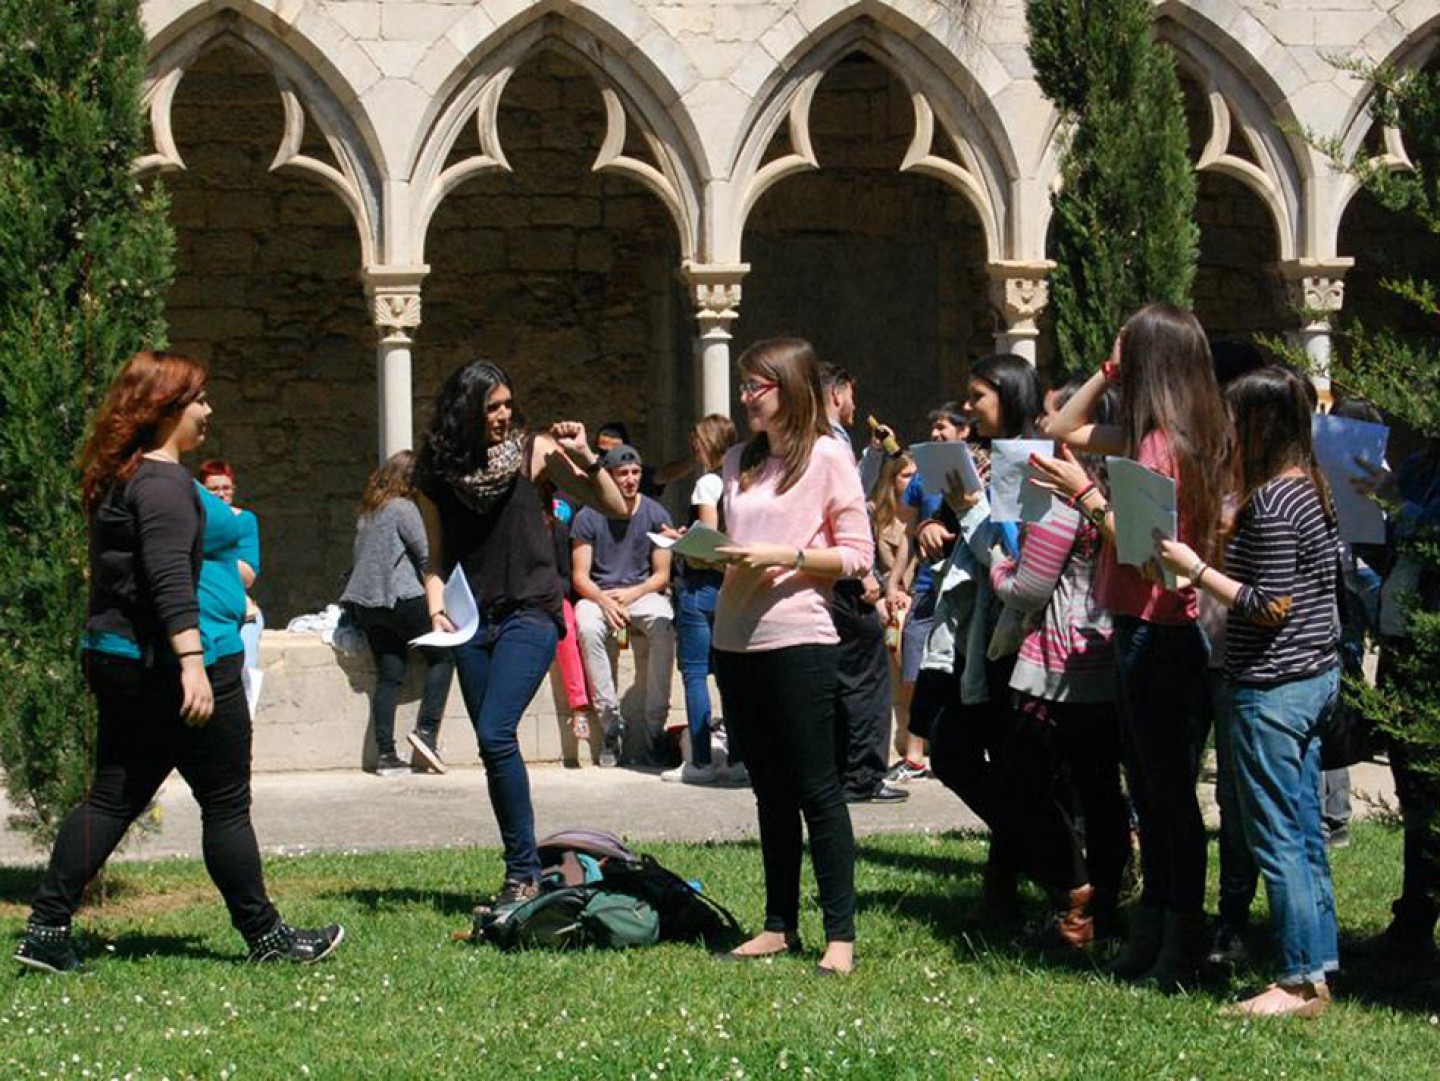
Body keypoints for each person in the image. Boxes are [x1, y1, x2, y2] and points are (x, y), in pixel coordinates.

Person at [14, 351, 342, 973]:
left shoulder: (126, 474)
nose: (208, 410)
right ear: (167, 409)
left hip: (119, 657)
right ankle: (266, 937)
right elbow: (167, 579)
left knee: (112, 797)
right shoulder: (163, 486)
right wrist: (191, 663)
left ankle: (45, 930)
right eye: (199, 400)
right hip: (177, 663)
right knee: (224, 802)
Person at [1031, 304, 1230, 989]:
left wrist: (1086, 496)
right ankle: (1154, 934)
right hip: (1147, 628)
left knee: (1166, 797)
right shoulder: (1175, 429)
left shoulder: (1160, 445)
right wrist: (1108, 368)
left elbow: (1147, 553)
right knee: (1153, 790)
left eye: (1126, 356)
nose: (1118, 367)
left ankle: (1176, 939)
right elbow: (1059, 427)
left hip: (1160, 631)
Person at [1155, 365, 1341, 1017]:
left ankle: (1295, 981)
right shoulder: (1310, 488)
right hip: (1315, 677)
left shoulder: (1271, 502)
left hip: (1274, 685)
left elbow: (1271, 604)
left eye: (1234, 420)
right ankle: (1317, 967)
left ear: (1258, 425)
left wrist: (1197, 568)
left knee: (1278, 835)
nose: (1225, 431)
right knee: (1305, 831)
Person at [415, 360, 626, 909]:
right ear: (467, 411)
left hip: (531, 610)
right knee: (496, 747)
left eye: (508, 404)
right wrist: (436, 609)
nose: (504, 415)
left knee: (494, 732)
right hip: (469, 620)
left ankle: (522, 872)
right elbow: (435, 559)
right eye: (492, 407)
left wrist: (585, 456)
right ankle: (526, 867)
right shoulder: (436, 472)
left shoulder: (535, 452)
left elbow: (613, 503)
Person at [711, 337, 873, 976]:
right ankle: (779, 924)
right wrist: (707, 550)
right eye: (745, 385)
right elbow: (735, 539)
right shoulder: (736, 461)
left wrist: (786, 557)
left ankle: (840, 935)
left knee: (816, 789)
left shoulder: (830, 457)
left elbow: (857, 555)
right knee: (768, 790)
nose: (747, 396)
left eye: (759, 386)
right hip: (733, 638)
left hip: (798, 638)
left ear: (793, 388)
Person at [988, 375, 1127, 948]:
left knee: (1021, 784)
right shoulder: (1124, 488)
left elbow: (1027, 587)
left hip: (1060, 664)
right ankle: (1108, 908)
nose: (1046, 430)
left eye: (1057, 418)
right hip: (1111, 652)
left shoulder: (1064, 501)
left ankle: (1078, 892)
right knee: (1101, 790)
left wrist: (997, 561)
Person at [918, 354, 1043, 924]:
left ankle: (1043, 874)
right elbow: (959, 526)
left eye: (978, 397)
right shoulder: (981, 460)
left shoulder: (1032, 461)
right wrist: (933, 525)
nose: (967, 408)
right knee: (958, 753)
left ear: (1010, 396)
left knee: (1008, 764)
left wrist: (969, 516)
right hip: (972, 635)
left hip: (1017, 636)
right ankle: (1037, 866)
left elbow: (1014, 555)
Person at [819, 363, 905, 805]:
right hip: (849, 576)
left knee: (841, 675)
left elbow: (851, 494)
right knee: (866, 677)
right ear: (839, 393)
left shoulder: (818, 439)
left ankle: (839, 771)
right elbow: (842, 514)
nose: (855, 403)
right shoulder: (831, 441)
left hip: (829, 575)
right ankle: (863, 777)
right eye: (852, 393)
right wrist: (866, 572)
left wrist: (873, 457)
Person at [340, 451, 455, 776]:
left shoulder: (368, 511)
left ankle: (386, 755)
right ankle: (427, 733)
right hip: (401, 597)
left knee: (389, 674)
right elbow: (426, 556)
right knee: (444, 656)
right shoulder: (403, 509)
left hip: (367, 606)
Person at [571, 444, 676, 768]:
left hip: (641, 591)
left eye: (635, 473)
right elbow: (580, 577)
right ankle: (611, 724)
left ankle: (654, 729)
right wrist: (604, 600)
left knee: (663, 624)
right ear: (610, 477)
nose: (630, 480)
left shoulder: (656, 513)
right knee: (587, 626)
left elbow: (661, 575)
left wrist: (632, 594)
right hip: (598, 594)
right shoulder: (589, 515)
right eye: (622, 474)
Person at [665, 413, 742, 785]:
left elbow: (709, 546)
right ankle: (739, 758)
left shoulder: (707, 484)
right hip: (735, 591)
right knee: (731, 677)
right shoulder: (743, 480)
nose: (692, 446)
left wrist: (682, 544)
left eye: (697, 440)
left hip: (702, 588)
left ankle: (700, 761)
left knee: (695, 675)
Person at [196, 459, 263, 714]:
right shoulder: (191, 520)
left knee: (242, 678)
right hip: (203, 611)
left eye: (226, 488)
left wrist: (210, 558)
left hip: (239, 612)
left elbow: (247, 574)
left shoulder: (243, 520)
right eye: (214, 489)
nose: (221, 494)